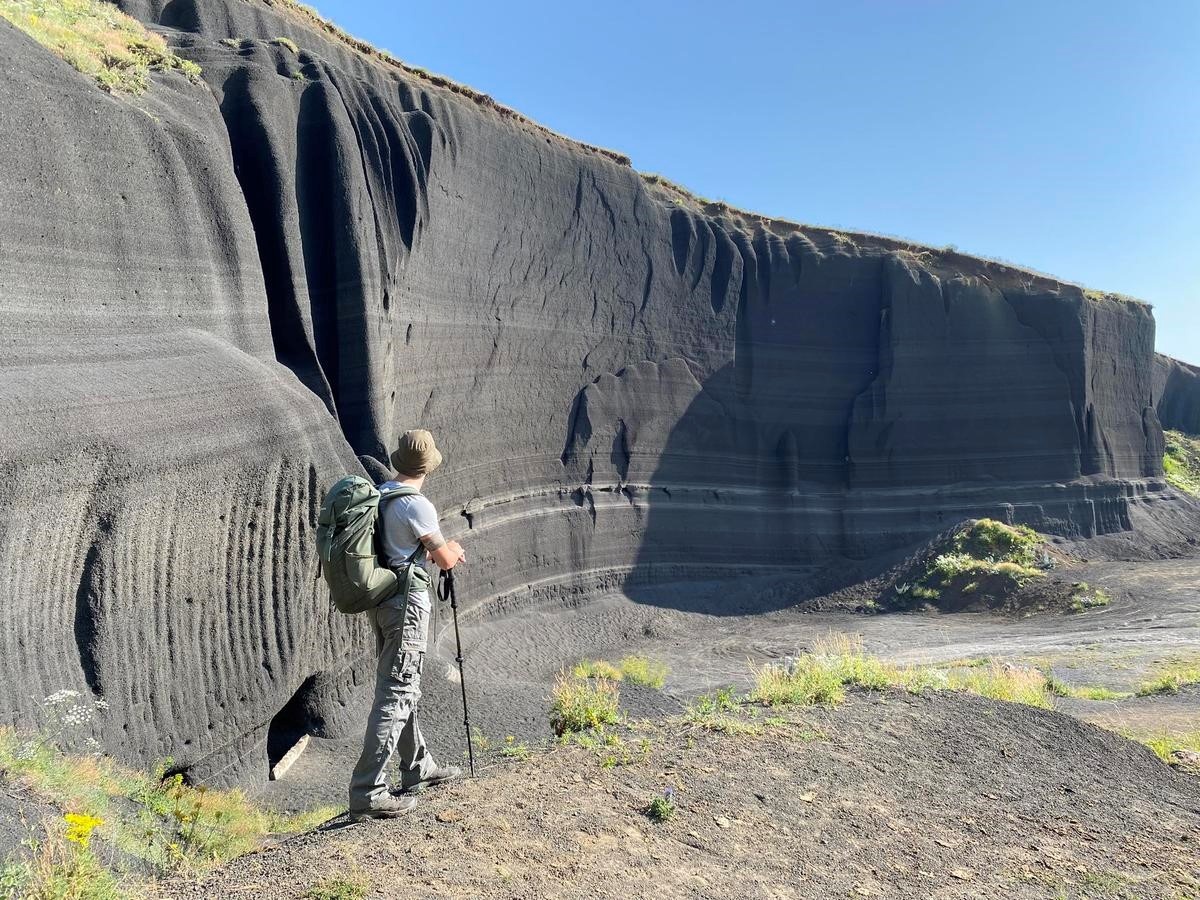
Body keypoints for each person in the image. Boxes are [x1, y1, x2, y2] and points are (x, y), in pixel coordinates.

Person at [348, 429, 466, 821]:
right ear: (427, 467)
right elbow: (444, 559)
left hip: (382, 600)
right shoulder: (417, 505)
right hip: (407, 605)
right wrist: (455, 551)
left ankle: (417, 767)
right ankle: (368, 791)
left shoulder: (381, 494)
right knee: (397, 690)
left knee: (404, 684)